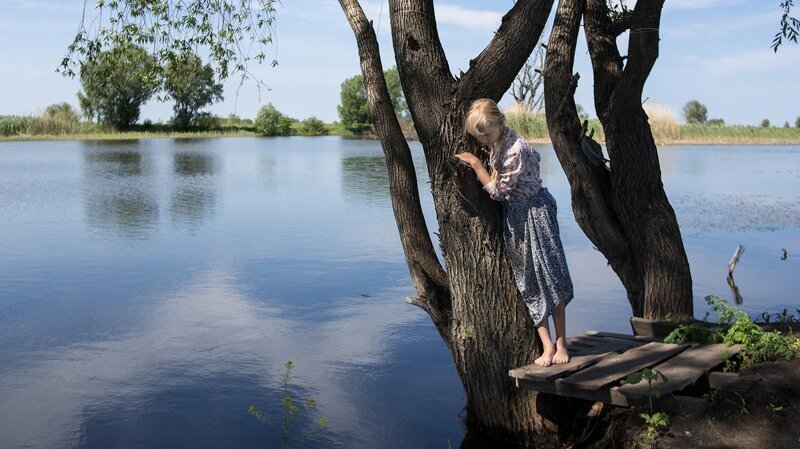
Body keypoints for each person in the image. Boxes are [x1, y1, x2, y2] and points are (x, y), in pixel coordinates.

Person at [455, 98, 574, 367]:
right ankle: (546, 345)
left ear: (500, 122)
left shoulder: (515, 149)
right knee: (527, 279)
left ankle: (562, 341)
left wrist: (476, 164)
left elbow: (499, 192)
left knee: (551, 275)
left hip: (536, 213)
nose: (484, 139)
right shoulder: (498, 143)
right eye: (479, 135)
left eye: (487, 132)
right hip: (516, 216)